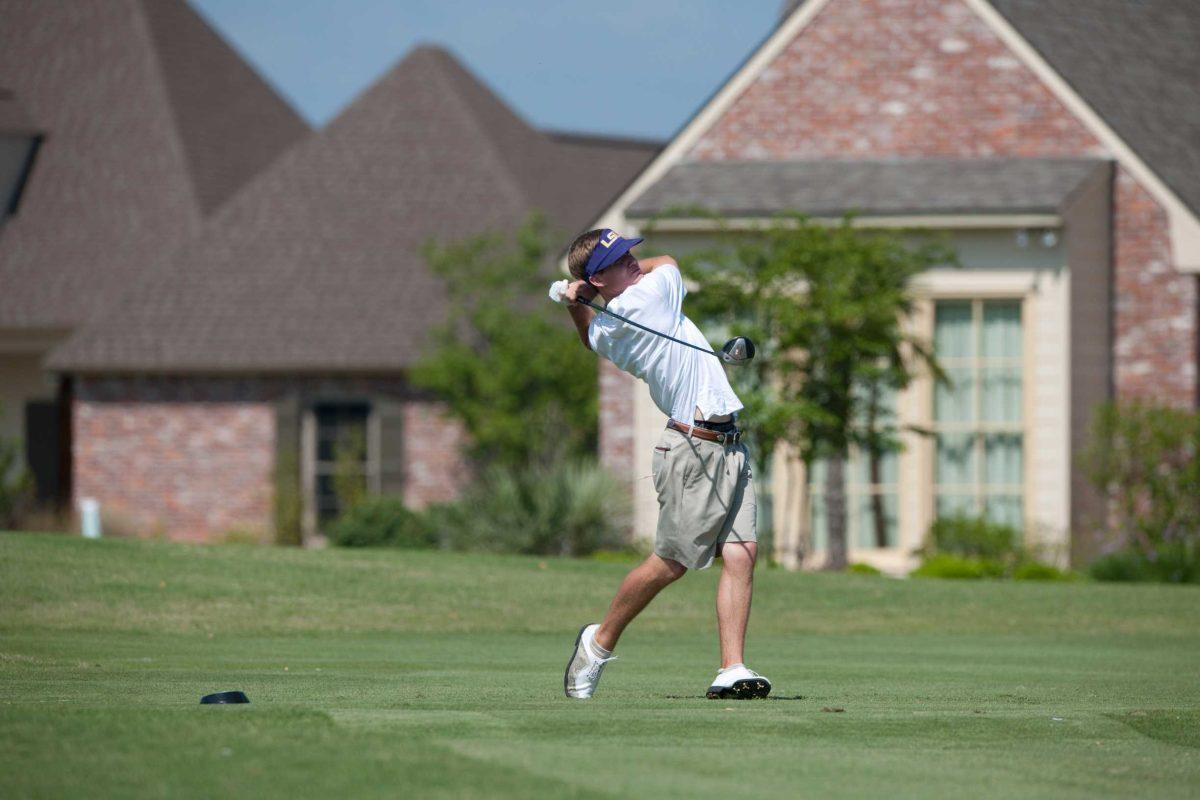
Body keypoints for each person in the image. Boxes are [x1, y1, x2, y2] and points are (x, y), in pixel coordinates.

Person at [557, 228, 770, 701]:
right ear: (599, 276)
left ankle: (732, 668)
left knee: (741, 552)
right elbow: (669, 258)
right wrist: (589, 294)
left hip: (727, 444)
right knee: (671, 563)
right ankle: (598, 641)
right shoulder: (650, 297)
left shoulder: (610, 328)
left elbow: (589, 338)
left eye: (629, 251)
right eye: (620, 259)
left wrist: (579, 300)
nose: (634, 260)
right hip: (695, 450)